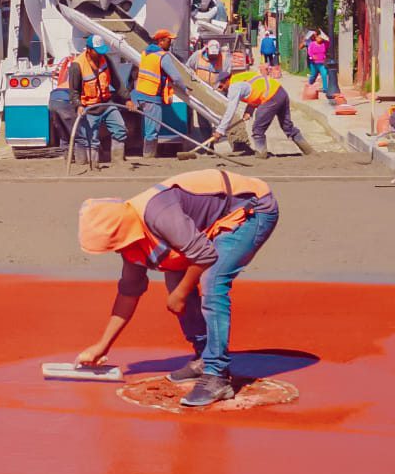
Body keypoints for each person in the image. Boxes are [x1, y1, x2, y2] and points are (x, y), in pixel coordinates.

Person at [75, 170, 280, 408]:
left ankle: (217, 375)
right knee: (174, 275)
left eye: (114, 245)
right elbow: (129, 293)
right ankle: (205, 355)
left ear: (120, 233)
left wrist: (181, 294)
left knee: (212, 282)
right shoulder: (130, 236)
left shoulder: (158, 215)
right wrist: (101, 347)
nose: (117, 251)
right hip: (216, 218)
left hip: (251, 209)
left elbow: (205, 254)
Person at [207, 65, 314, 159]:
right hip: (280, 92)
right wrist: (249, 110)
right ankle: (309, 152)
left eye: (221, 86)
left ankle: (261, 155)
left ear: (226, 80)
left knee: (258, 129)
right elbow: (256, 90)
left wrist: (220, 131)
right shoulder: (240, 78)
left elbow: (230, 110)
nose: (222, 89)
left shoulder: (234, 87)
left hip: (270, 98)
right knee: (287, 126)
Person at [65, 36, 130, 165]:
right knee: (91, 138)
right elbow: (74, 92)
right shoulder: (77, 66)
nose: (100, 54)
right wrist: (78, 105)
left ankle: (118, 162)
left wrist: (127, 99)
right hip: (89, 108)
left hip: (106, 103)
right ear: (89, 49)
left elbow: (116, 81)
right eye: (97, 51)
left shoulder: (105, 59)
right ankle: (93, 165)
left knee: (120, 129)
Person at [133, 29, 188, 158]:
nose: (170, 44)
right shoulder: (162, 56)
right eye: (169, 41)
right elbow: (176, 76)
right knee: (152, 129)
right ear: (161, 41)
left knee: (148, 127)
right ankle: (149, 156)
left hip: (141, 94)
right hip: (151, 95)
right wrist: (184, 89)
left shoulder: (145, 53)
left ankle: (148, 154)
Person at [306, 30, 331, 96]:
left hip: (321, 63)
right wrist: (312, 56)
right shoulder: (312, 44)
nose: (320, 39)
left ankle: (325, 88)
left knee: (324, 74)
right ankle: (310, 84)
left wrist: (324, 35)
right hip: (314, 63)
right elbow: (309, 52)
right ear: (316, 38)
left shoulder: (324, 44)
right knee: (314, 75)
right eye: (319, 37)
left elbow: (329, 41)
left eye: (321, 38)